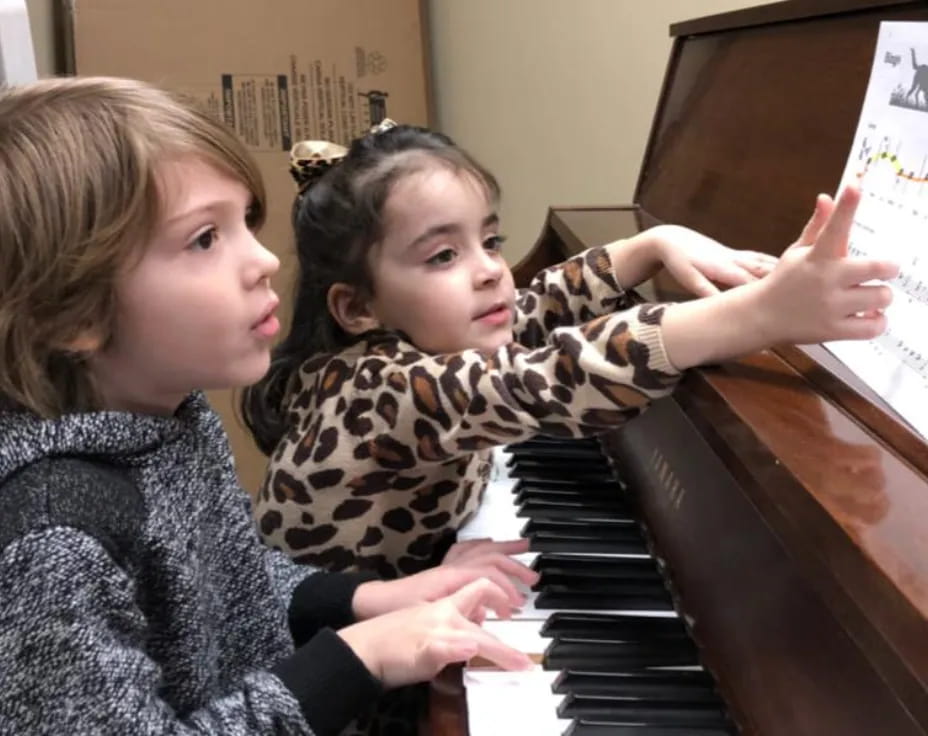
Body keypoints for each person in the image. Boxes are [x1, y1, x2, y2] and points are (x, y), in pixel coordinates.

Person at [0, 77, 537, 736]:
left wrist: (366, 599)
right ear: (72, 313)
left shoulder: (168, 419)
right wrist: (357, 658)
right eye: (204, 239)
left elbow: (230, 593)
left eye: (246, 223)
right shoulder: (54, 538)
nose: (261, 260)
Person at [241, 122, 898, 581]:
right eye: (444, 255)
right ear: (359, 308)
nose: (491, 271)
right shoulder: (374, 395)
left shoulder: (421, 341)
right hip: (351, 693)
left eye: (490, 242)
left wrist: (649, 244)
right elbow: (541, 379)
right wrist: (757, 314)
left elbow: (533, 310)